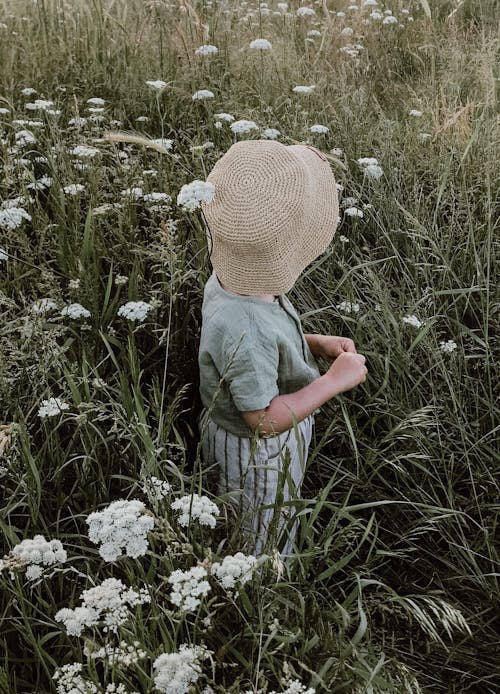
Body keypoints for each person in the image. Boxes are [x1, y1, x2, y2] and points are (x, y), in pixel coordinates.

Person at [197, 140, 367, 558]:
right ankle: (264, 596)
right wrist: (332, 382)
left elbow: (257, 349)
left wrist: (311, 343)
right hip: (258, 450)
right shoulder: (246, 326)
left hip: (247, 422)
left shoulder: (230, 282)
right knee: (263, 530)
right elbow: (263, 419)